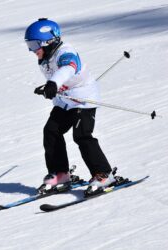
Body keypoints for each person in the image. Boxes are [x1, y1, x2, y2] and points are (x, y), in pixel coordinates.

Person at [24, 18, 115, 191]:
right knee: (51, 131)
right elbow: (57, 77)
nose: (32, 50)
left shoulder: (65, 52)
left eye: (35, 45)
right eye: (29, 45)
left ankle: (104, 174)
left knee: (81, 135)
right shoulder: (45, 57)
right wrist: (49, 88)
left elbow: (68, 68)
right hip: (65, 101)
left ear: (49, 41)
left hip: (83, 99)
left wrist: (53, 84)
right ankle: (60, 174)